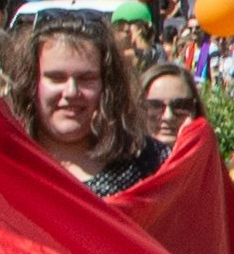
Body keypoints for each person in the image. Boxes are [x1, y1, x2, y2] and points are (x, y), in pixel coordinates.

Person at [13, 17, 152, 191]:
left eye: (87, 79)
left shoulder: (145, 162)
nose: (71, 92)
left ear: (108, 84)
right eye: (56, 78)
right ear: (32, 81)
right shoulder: (3, 162)